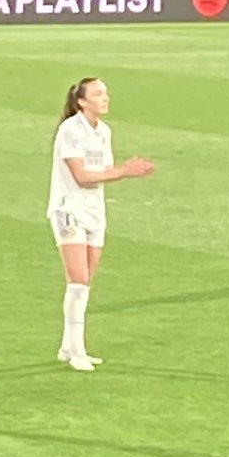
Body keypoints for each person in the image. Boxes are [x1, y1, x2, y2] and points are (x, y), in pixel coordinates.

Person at [47, 78, 154, 372]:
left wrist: (124, 171)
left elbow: (104, 171)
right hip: (69, 209)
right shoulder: (70, 130)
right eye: (98, 94)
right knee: (78, 279)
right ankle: (78, 350)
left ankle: (67, 346)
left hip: (95, 211)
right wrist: (124, 171)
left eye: (105, 93)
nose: (105, 98)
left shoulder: (104, 132)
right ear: (82, 102)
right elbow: (81, 176)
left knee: (85, 282)